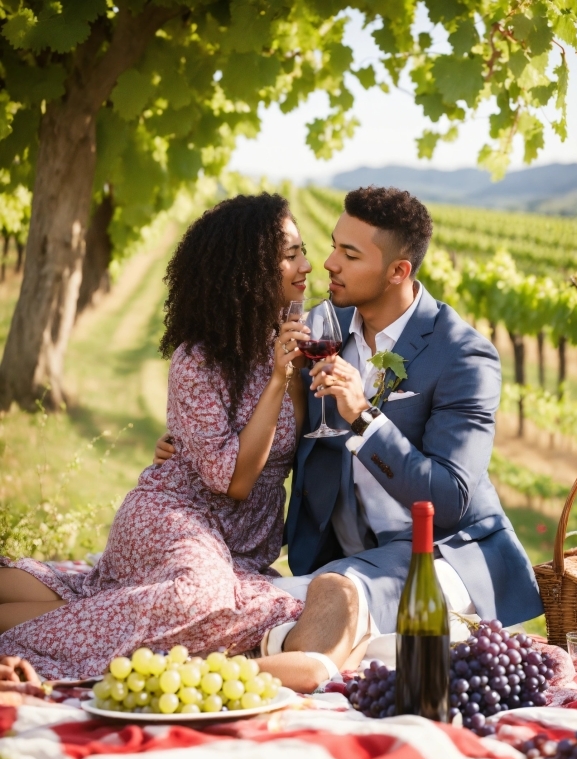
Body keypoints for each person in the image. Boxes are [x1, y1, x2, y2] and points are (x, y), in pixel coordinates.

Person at [0, 193, 363, 691]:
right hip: (173, 515)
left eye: (303, 250)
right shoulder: (199, 360)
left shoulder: (298, 343)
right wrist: (278, 382)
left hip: (236, 547)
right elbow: (233, 482)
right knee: (200, 600)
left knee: (162, 599)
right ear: (249, 268)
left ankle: (95, 607)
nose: (307, 265)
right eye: (289, 254)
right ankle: (24, 644)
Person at [157, 186, 543, 649]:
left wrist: (363, 417)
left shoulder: (463, 356)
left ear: (398, 271)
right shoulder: (318, 329)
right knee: (228, 601)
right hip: (346, 560)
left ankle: (269, 679)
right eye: (334, 245)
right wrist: (189, 442)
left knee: (317, 602)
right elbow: (246, 402)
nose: (329, 263)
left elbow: (450, 497)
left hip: (441, 555)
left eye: (350, 254)